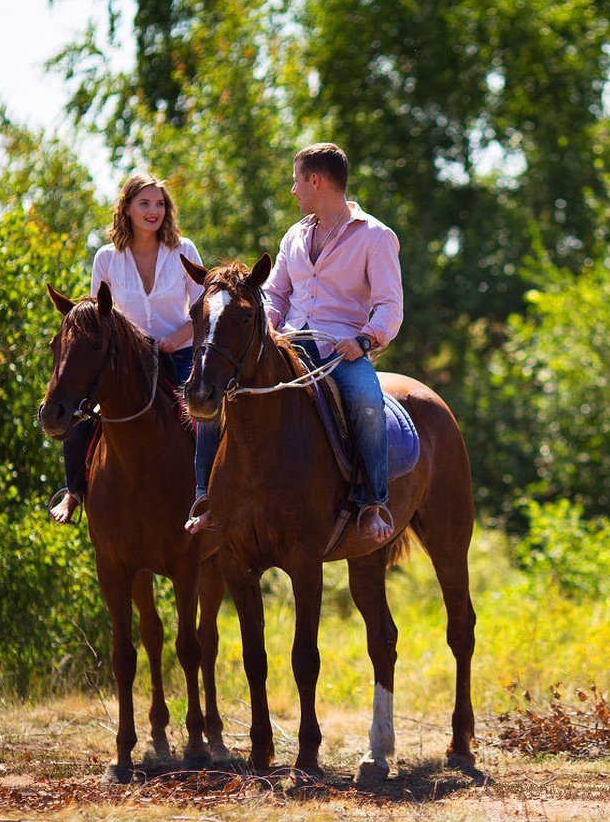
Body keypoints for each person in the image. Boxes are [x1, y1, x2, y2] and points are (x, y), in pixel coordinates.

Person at [187, 143, 403, 543]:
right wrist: (267, 326)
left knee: (367, 404)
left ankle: (373, 502)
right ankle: (207, 498)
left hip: (341, 351)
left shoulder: (376, 236)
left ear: (315, 180)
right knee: (221, 393)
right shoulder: (295, 235)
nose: (293, 190)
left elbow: (390, 307)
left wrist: (365, 340)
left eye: (296, 180)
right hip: (286, 343)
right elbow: (276, 295)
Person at [49, 172, 218, 525]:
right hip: (126, 362)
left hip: (179, 352)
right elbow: (99, 314)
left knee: (205, 413)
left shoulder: (183, 250)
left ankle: (210, 494)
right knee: (81, 409)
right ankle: (74, 492)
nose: (153, 210)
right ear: (126, 208)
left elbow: (203, 309)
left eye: (159, 203)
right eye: (144, 203)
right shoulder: (106, 258)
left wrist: (180, 336)